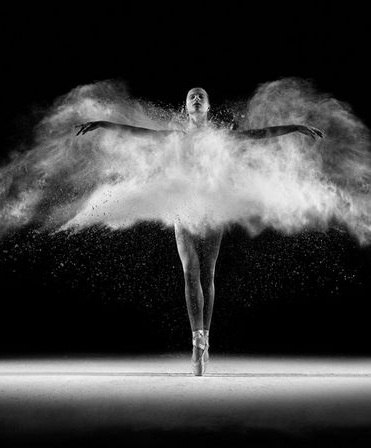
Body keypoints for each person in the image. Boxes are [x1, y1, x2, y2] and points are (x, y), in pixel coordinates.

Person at [76, 87, 323, 375]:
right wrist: (104, 124)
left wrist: (294, 127)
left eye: (200, 96)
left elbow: (258, 135)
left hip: (212, 206)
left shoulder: (221, 138)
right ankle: (198, 340)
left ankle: (206, 336)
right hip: (184, 205)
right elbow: (136, 132)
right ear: (186, 108)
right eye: (191, 96)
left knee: (208, 273)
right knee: (190, 270)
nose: (195, 98)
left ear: (207, 107)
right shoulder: (176, 137)